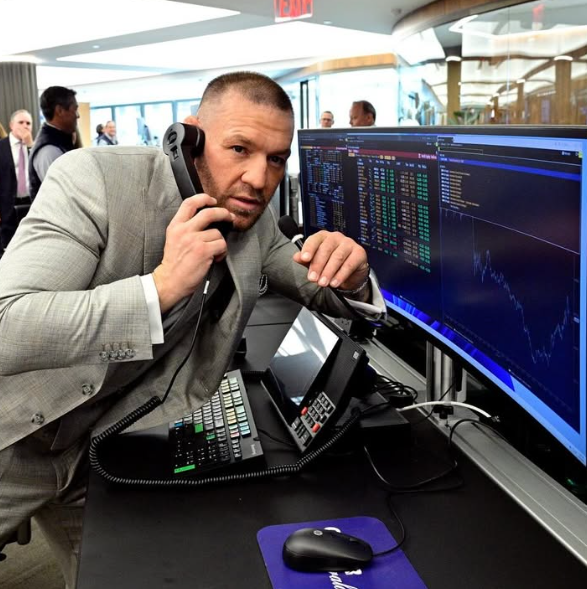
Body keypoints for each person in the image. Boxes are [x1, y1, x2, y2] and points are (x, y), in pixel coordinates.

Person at [0, 71, 384, 588]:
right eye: (240, 149)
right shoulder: (93, 179)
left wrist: (354, 275)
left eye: (276, 159)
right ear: (189, 136)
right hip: (14, 431)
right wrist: (159, 290)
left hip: (95, 450)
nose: (259, 178)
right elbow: (7, 324)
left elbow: (322, 288)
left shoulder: (253, 221)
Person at [29, 85, 79, 199]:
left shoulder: (58, 142)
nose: (78, 115)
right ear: (60, 111)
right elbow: (64, 195)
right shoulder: (49, 150)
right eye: (75, 109)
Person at [0, 109, 33, 253]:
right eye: (21, 122)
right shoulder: (2, 147)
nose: (25, 126)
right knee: (9, 247)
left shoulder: (35, 147)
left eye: (28, 123)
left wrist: (30, 146)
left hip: (31, 203)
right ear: (11, 125)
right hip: (7, 205)